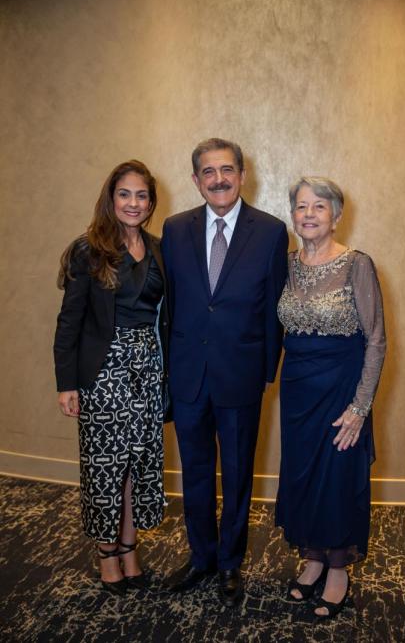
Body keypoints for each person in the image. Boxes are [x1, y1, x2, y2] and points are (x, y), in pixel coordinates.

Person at [161, 138, 288, 606]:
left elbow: (275, 310)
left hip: (241, 375)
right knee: (195, 472)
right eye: (209, 171)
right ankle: (202, 558)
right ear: (196, 180)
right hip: (188, 375)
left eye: (227, 169)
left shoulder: (271, 232)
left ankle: (230, 562)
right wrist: (167, 369)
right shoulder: (175, 229)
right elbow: (170, 305)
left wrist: (265, 373)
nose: (219, 179)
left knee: (237, 474)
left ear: (243, 175)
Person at [54, 160, 168, 596]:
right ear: (111, 198)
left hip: (148, 369)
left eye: (142, 195)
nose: (133, 203)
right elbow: (69, 320)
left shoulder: (159, 249)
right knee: (105, 467)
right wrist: (66, 383)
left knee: (138, 465)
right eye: (125, 194)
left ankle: (130, 549)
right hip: (103, 372)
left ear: (151, 203)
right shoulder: (88, 250)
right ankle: (107, 555)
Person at [276, 176, 386, 618]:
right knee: (303, 476)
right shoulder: (286, 264)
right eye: (302, 206)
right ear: (293, 215)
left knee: (337, 477)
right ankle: (314, 559)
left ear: (336, 216)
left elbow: (376, 340)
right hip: (297, 390)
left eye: (319, 206)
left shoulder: (357, 264)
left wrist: (360, 407)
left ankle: (338, 569)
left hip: (342, 390)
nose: (309, 214)